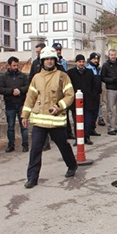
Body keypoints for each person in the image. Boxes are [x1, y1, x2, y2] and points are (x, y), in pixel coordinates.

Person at [21, 47, 77, 188]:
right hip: (39, 120)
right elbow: (30, 97)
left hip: (55, 120)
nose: (49, 61)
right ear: (42, 61)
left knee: (63, 145)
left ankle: (72, 165)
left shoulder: (62, 76)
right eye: (47, 59)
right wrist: (24, 115)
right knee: (35, 149)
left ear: (55, 60)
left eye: (52, 59)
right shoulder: (36, 78)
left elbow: (70, 95)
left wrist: (58, 107)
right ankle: (32, 178)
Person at [0, 56, 29, 153]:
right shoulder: (4, 77)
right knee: (10, 126)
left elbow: (28, 87)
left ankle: (25, 144)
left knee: (23, 125)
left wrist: (20, 90)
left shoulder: (22, 76)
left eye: (17, 65)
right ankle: (11, 145)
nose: (15, 67)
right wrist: (11, 91)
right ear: (9, 65)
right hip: (10, 104)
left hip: (21, 103)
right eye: (14, 65)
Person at [67, 54, 97, 145]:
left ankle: (86, 137)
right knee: (77, 121)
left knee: (87, 121)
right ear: (76, 62)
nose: (81, 63)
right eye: (79, 62)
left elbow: (94, 86)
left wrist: (93, 97)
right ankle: (78, 138)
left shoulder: (89, 72)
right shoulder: (70, 73)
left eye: (83, 62)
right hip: (75, 101)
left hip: (88, 100)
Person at [29, 43, 51, 151]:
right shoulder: (35, 64)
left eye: (39, 52)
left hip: (49, 97)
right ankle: (41, 143)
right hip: (38, 96)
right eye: (37, 52)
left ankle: (47, 142)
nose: (37, 54)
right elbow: (31, 78)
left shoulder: (52, 63)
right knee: (39, 121)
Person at [101, 48, 117, 135]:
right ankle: (110, 128)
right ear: (109, 55)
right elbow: (103, 77)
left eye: (114, 55)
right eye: (112, 55)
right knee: (110, 110)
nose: (113, 56)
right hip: (111, 89)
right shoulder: (105, 65)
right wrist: (112, 80)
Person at [86, 52, 103, 135]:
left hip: (97, 93)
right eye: (94, 59)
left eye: (97, 59)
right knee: (90, 112)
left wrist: (100, 91)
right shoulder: (88, 68)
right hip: (90, 94)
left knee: (95, 112)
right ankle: (88, 130)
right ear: (91, 59)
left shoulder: (97, 68)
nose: (96, 60)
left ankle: (93, 129)